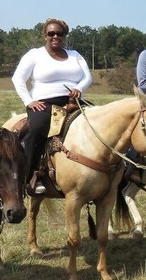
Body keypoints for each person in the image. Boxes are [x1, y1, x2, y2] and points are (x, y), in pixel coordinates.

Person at [12, 18, 92, 194]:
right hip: (44, 104)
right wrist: (29, 101)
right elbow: (18, 78)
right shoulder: (34, 55)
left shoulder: (75, 55)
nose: (55, 36)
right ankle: (32, 175)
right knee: (37, 128)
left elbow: (87, 77)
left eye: (59, 33)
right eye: (51, 33)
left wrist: (78, 88)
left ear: (64, 36)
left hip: (73, 102)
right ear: (44, 36)